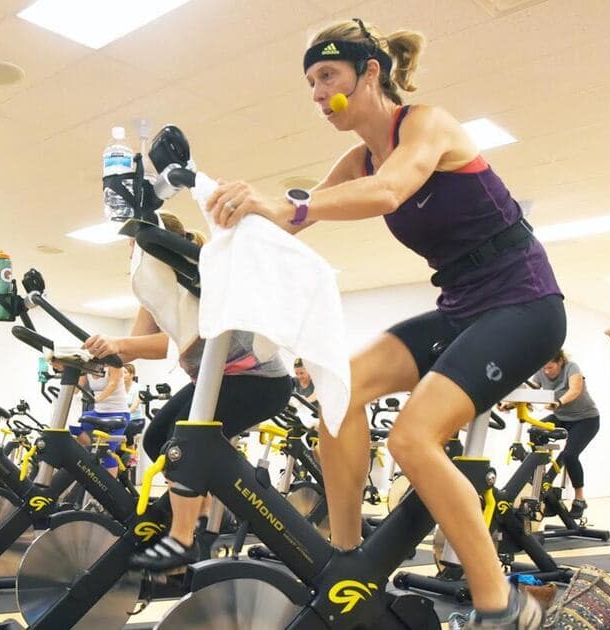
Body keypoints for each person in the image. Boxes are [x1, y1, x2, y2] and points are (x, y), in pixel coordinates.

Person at [204, 19, 565, 628]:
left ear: (370, 71)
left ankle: (502, 605)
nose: (318, 94)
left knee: (410, 438)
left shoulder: (424, 125)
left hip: (524, 302)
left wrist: (284, 202)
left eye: (327, 77)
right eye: (310, 83)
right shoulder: (356, 158)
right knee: (338, 390)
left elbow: (391, 191)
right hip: (461, 306)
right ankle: (347, 563)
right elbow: (292, 220)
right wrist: (225, 221)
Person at [83, 212, 292, 570]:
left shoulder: (199, 277)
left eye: (135, 248)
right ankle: (198, 514)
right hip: (214, 381)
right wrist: (91, 354)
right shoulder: (152, 295)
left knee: (185, 447)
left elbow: (177, 335)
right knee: (156, 440)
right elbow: (140, 346)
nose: (132, 258)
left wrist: (118, 342)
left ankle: (184, 539)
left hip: (260, 382)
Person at [529, 350, 600, 518]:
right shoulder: (541, 372)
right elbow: (531, 392)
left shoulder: (571, 368)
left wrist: (558, 402)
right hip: (561, 417)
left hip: (586, 419)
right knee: (535, 432)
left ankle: (579, 499)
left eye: (551, 367)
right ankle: (544, 483)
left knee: (570, 455)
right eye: (544, 368)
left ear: (560, 361)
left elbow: (575, 390)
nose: (547, 372)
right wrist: (508, 405)